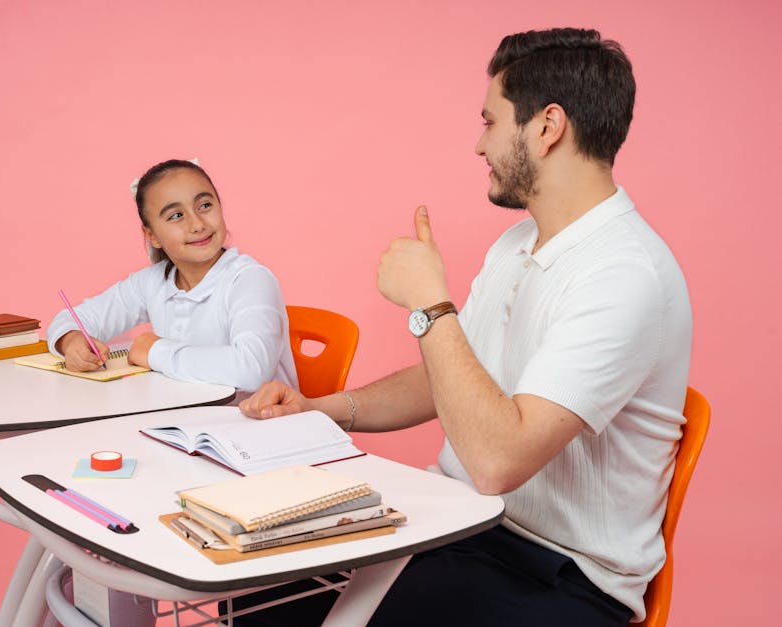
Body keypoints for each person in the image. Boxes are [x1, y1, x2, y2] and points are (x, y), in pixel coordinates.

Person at [232, 28, 692, 626]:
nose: (479, 144)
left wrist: (430, 306)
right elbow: (451, 382)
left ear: (548, 127)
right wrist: (318, 410)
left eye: (490, 122)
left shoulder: (624, 275)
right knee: (259, 593)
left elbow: (497, 462)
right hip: (462, 524)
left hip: (560, 572)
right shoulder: (518, 242)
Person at [47, 159, 298, 392]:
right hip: (184, 419)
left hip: (255, 421)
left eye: (205, 205)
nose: (197, 224)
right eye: (176, 216)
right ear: (152, 236)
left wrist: (154, 351)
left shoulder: (249, 280)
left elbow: (252, 369)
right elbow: (71, 318)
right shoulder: (152, 283)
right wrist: (71, 341)